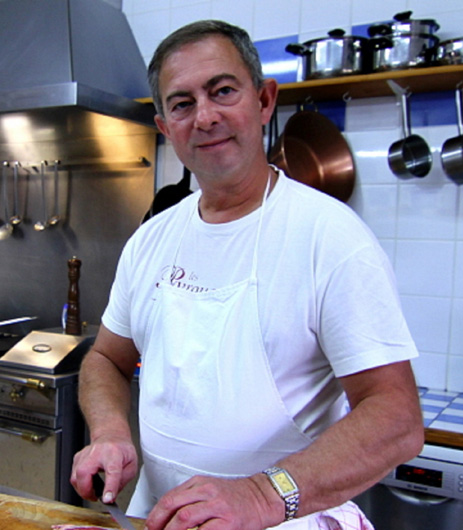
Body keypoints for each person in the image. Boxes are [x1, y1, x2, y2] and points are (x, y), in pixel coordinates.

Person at [70, 19, 424, 530]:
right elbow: (106, 358)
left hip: (283, 521)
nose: (205, 117)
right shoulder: (152, 238)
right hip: (160, 518)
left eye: (222, 91)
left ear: (263, 101)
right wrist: (109, 431)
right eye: (183, 103)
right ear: (165, 128)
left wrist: (260, 496)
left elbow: (396, 418)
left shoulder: (330, 236)